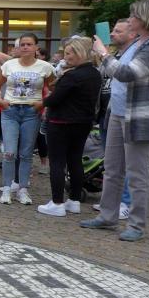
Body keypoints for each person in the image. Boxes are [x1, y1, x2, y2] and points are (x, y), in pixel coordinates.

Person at [82, 0, 149, 241]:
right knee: (112, 169)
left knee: (137, 173)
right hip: (117, 113)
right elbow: (111, 73)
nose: (129, 19)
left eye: (133, 15)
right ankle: (107, 216)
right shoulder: (136, 44)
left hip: (138, 118)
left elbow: (126, 74)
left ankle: (136, 224)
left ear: (144, 18)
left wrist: (103, 53)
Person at [0, 27, 55, 205]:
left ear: (36, 47)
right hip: (10, 111)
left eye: (29, 44)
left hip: (31, 112)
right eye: (22, 44)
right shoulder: (9, 65)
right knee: (9, 152)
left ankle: (22, 188)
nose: (25, 47)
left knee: (26, 153)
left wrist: (43, 103)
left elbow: (55, 89)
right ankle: (7, 187)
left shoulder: (46, 67)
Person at [37, 37, 102, 217]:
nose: (65, 57)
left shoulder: (72, 76)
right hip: (83, 122)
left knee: (57, 162)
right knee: (75, 160)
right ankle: (74, 200)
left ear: (79, 53)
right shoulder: (94, 73)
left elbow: (54, 98)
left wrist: (42, 102)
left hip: (62, 122)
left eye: (68, 54)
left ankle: (57, 202)